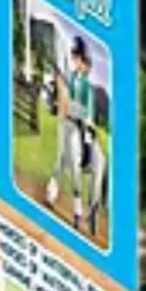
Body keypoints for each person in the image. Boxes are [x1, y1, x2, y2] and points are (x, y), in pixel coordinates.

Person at [60, 36, 97, 228]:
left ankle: (87, 160)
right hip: (69, 120)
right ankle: (54, 190)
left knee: (86, 139)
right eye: (74, 58)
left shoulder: (87, 86)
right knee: (62, 157)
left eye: (78, 59)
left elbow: (88, 106)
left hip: (81, 121)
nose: (76, 62)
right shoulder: (71, 78)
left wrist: (87, 121)